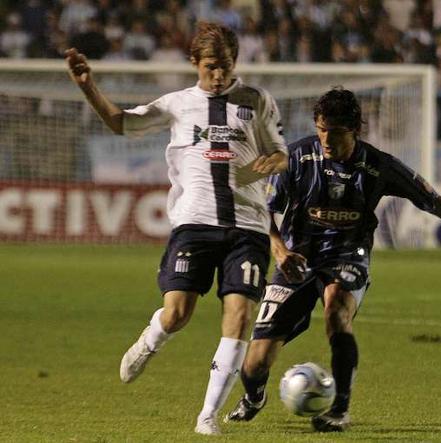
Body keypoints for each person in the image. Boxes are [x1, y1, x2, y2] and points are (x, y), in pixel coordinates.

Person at [225, 88, 441, 432]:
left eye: (335, 132)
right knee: (256, 361)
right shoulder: (296, 157)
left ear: (355, 130)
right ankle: (254, 397)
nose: (326, 139)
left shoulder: (379, 166)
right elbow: (263, 211)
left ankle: (339, 409)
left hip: (349, 253)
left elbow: (434, 201)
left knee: (336, 310)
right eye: (320, 129)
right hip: (296, 259)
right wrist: (281, 251)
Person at [65, 22, 288, 435]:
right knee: (178, 312)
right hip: (194, 225)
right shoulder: (177, 104)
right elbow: (121, 122)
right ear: (194, 64)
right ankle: (152, 338)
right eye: (210, 67)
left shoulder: (257, 101)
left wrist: (265, 164)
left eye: (224, 66)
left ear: (234, 62)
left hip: (248, 227)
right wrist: (87, 86)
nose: (218, 75)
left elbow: (280, 155)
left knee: (238, 315)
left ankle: (208, 415)